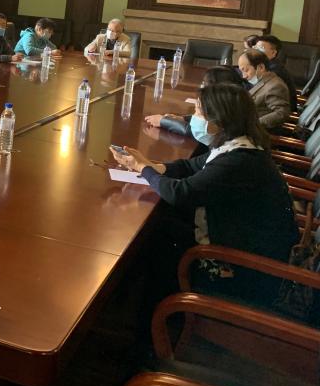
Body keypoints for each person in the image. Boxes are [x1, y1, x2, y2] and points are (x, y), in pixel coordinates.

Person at [113, 83, 297, 307]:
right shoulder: (237, 145)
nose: (193, 118)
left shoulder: (238, 160)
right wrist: (152, 166)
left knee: (156, 238)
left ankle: (153, 318)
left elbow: (180, 193)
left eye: (199, 112)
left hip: (244, 272)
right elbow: (191, 166)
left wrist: (144, 169)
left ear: (217, 121)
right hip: (235, 239)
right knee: (162, 225)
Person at [144, 66, 245, 147]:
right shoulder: (234, 102)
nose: (202, 86)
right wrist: (183, 118)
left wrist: (163, 121)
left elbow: (197, 131)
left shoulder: (226, 111)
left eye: (205, 83)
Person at [237, 48, 291, 131]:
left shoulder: (275, 86)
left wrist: (254, 124)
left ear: (261, 67)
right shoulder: (262, 81)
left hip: (257, 132)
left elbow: (281, 113)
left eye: (246, 70)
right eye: (242, 72)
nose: (244, 76)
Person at [254, 35, 297, 111]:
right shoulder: (268, 65)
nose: (256, 51)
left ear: (273, 52)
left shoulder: (274, 70)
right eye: (256, 47)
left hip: (277, 110)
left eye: (260, 48)